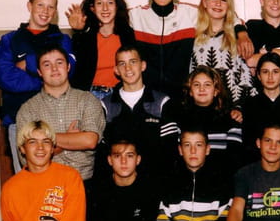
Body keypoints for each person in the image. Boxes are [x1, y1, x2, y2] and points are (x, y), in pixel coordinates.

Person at [0, 0, 75, 172]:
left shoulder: (62, 40)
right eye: (40, 5)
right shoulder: (10, 40)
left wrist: (28, 63)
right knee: (27, 179)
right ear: (29, 6)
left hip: (56, 120)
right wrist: (48, 78)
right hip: (19, 120)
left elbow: (68, 72)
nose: (45, 11)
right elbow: (5, 78)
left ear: (55, 11)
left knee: (59, 178)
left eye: (50, 7)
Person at [15, 45, 105, 181]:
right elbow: (27, 159)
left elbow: (90, 140)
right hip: (45, 184)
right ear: (39, 72)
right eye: (47, 65)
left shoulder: (88, 100)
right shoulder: (28, 110)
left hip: (84, 183)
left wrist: (44, 141)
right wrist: (71, 138)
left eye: (59, 62)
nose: (54, 69)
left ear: (68, 67)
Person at [129, 0, 197, 99]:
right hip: (146, 97)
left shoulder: (189, 14)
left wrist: (240, 32)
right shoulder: (135, 15)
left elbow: (226, 15)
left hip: (181, 97)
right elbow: (106, 14)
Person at [99, 45, 170, 177]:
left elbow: (169, 151)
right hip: (119, 182)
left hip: (154, 179)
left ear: (143, 65)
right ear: (116, 70)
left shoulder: (161, 102)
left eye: (133, 62)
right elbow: (103, 152)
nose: (128, 68)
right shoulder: (106, 105)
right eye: (122, 63)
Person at [160, 66, 242, 177]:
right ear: (190, 91)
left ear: (216, 91)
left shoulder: (230, 118)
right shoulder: (177, 116)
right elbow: (170, 154)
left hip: (218, 178)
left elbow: (234, 159)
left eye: (207, 85)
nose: (201, 89)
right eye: (196, 85)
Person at [190, 0, 256, 113]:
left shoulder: (238, 39)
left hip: (231, 109)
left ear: (229, 6)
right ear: (204, 2)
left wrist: (238, 107)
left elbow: (245, 77)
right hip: (198, 106)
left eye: (224, 0)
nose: (218, 4)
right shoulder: (192, 35)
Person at [66, 0, 136, 98]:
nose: (105, 8)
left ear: (117, 7)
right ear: (92, 8)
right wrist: (79, 32)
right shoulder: (85, 36)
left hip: (120, 94)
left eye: (110, 3)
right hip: (90, 94)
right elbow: (77, 72)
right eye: (99, 3)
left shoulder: (128, 35)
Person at [241, 52, 280, 163]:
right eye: (265, 72)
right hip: (256, 163)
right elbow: (248, 142)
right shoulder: (249, 105)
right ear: (258, 75)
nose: (270, 77)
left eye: (275, 72)